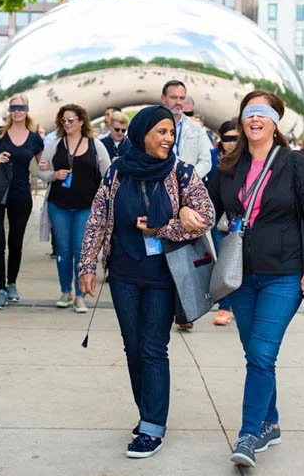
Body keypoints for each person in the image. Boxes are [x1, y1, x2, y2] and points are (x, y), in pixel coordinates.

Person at [186, 89, 304, 468]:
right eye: (249, 112)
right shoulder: (229, 166)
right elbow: (207, 210)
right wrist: (187, 214)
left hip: (284, 276)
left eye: (263, 112)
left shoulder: (294, 163)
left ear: (275, 121)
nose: (255, 118)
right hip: (240, 276)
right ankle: (271, 422)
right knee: (257, 355)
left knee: (262, 354)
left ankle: (248, 435)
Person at [79, 105, 215, 459]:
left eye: (172, 133)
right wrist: (87, 265)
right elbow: (96, 219)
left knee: (154, 348)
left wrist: (163, 229)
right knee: (132, 347)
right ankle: (147, 413)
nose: (169, 139)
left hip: (163, 276)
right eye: (162, 132)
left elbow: (207, 217)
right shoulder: (117, 173)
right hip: (123, 273)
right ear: (142, 134)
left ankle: (153, 426)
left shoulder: (181, 172)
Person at [38, 104, 110, 312]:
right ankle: (65, 291)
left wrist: (104, 200)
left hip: (86, 207)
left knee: (82, 251)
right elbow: (42, 170)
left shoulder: (96, 146)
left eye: (71, 120)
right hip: (59, 205)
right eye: (63, 120)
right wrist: (53, 175)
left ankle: (80, 295)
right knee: (63, 250)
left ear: (80, 122)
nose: (67, 124)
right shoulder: (55, 145)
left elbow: (108, 174)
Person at [0, 95, 44, 309]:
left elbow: (44, 164)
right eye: (14, 108)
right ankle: (0, 289)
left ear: (27, 110)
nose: (17, 111)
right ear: (9, 110)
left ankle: (12, 283)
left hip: (21, 194)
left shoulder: (34, 139)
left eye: (21, 107)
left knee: (15, 243)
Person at [161, 79, 212, 331]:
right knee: (161, 255)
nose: (178, 102)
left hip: (187, 198)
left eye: (182, 98)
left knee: (183, 257)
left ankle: (185, 312)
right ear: (164, 99)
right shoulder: (153, 124)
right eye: (173, 97)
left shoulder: (195, 130)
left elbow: (207, 161)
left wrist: (186, 178)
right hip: (160, 196)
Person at [207, 119, 239, 326]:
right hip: (219, 222)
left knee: (242, 266)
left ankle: (239, 305)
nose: (231, 143)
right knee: (223, 265)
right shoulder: (213, 159)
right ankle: (225, 307)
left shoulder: (247, 160)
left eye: (236, 138)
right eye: (227, 138)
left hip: (241, 223)